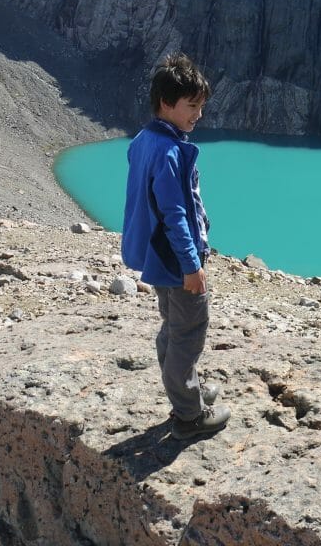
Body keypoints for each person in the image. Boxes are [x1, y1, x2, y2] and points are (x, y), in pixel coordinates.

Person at [121, 53, 230, 440]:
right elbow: (174, 214)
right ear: (167, 103)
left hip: (156, 257)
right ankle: (188, 415)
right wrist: (191, 265)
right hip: (174, 261)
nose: (198, 115)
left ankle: (187, 392)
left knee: (174, 325)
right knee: (189, 330)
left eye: (201, 106)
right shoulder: (169, 152)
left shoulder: (144, 140)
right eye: (192, 106)